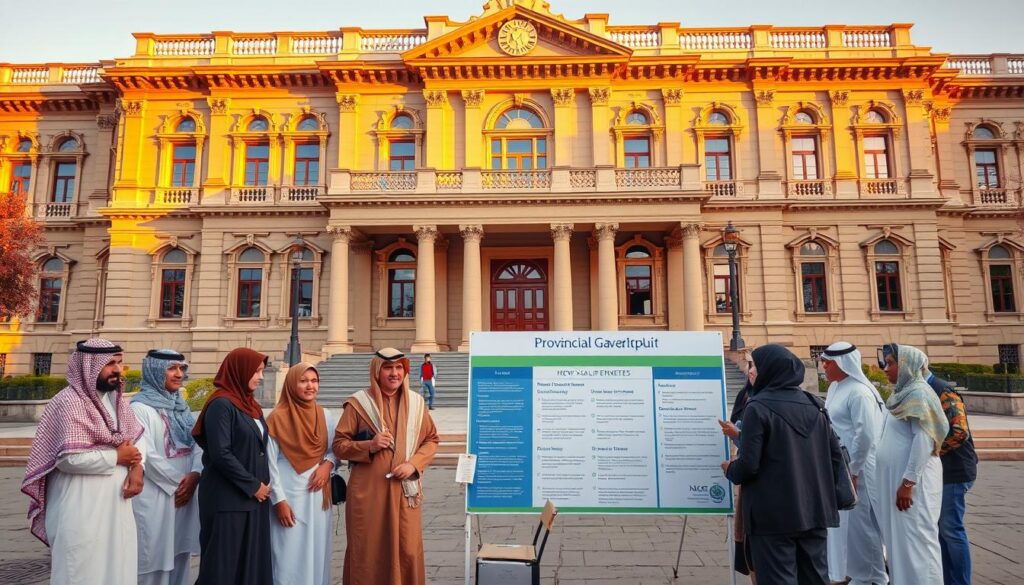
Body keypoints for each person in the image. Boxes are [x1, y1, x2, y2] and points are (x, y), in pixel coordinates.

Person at [21, 338, 147, 584]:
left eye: (119, 363)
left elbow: (136, 439)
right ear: (87, 365)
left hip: (116, 506)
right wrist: (116, 457)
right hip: (80, 505)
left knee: (118, 567)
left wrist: (137, 468)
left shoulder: (116, 402)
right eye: (109, 363)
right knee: (82, 570)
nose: (117, 370)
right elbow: (69, 457)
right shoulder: (68, 402)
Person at [723, 344, 842, 585]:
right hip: (815, 510)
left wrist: (730, 469)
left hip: (772, 514)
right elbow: (835, 456)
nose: (751, 371)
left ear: (770, 369)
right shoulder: (815, 403)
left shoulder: (758, 407)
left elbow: (748, 465)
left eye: (754, 365)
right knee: (814, 578)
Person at [332, 347, 440, 585]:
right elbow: (339, 445)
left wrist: (414, 464)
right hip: (369, 494)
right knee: (368, 551)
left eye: (399, 367)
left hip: (404, 494)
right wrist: (369, 445)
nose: (394, 373)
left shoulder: (417, 404)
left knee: (407, 549)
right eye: (388, 368)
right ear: (376, 372)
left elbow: (431, 439)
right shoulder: (358, 404)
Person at [192, 348, 273, 585]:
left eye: (261, 371)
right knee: (222, 566)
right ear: (240, 370)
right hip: (227, 498)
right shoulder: (221, 404)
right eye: (256, 371)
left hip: (253, 498)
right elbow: (220, 453)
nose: (261, 377)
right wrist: (253, 485)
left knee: (249, 564)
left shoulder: (250, 406)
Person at [873, 343, 949, 585]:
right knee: (900, 542)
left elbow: (924, 439)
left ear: (907, 365)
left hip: (914, 485)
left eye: (892, 363)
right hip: (896, 481)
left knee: (918, 542)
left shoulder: (920, 394)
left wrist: (908, 482)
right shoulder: (900, 394)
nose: (886, 368)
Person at [131, 349, 203, 585]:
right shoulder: (140, 409)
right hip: (157, 495)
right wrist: (178, 483)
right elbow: (147, 455)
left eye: (181, 368)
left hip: (185, 494)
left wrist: (194, 475)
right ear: (154, 371)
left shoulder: (182, 408)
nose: (178, 374)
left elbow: (199, 445)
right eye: (171, 369)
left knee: (180, 557)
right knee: (153, 560)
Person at [820, 342, 888, 585]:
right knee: (846, 526)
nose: (824, 366)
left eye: (828, 362)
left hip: (859, 469)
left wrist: (854, 468)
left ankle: (874, 577)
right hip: (841, 466)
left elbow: (866, 435)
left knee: (862, 525)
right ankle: (853, 574)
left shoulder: (860, 392)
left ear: (843, 364)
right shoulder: (836, 388)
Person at [267, 362, 337, 585]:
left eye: (314, 381)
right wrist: (279, 501)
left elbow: (334, 450)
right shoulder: (276, 418)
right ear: (291, 384)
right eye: (303, 381)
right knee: (287, 553)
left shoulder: (325, 415)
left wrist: (328, 465)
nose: (310, 386)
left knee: (316, 551)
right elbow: (269, 465)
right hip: (289, 495)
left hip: (317, 497)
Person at [924, 365, 978, 585]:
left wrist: (931, 453)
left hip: (955, 472)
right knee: (941, 531)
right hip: (942, 472)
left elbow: (959, 431)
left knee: (951, 530)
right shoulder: (926, 389)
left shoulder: (941, 389)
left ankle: (960, 581)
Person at [719, 356, 757, 584]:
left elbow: (758, 446)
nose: (748, 371)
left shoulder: (766, 403)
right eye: (749, 365)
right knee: (748, 541)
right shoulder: (745, 396)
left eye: (754, 367)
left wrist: (738, 436)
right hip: (749, 481)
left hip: (765, 482)